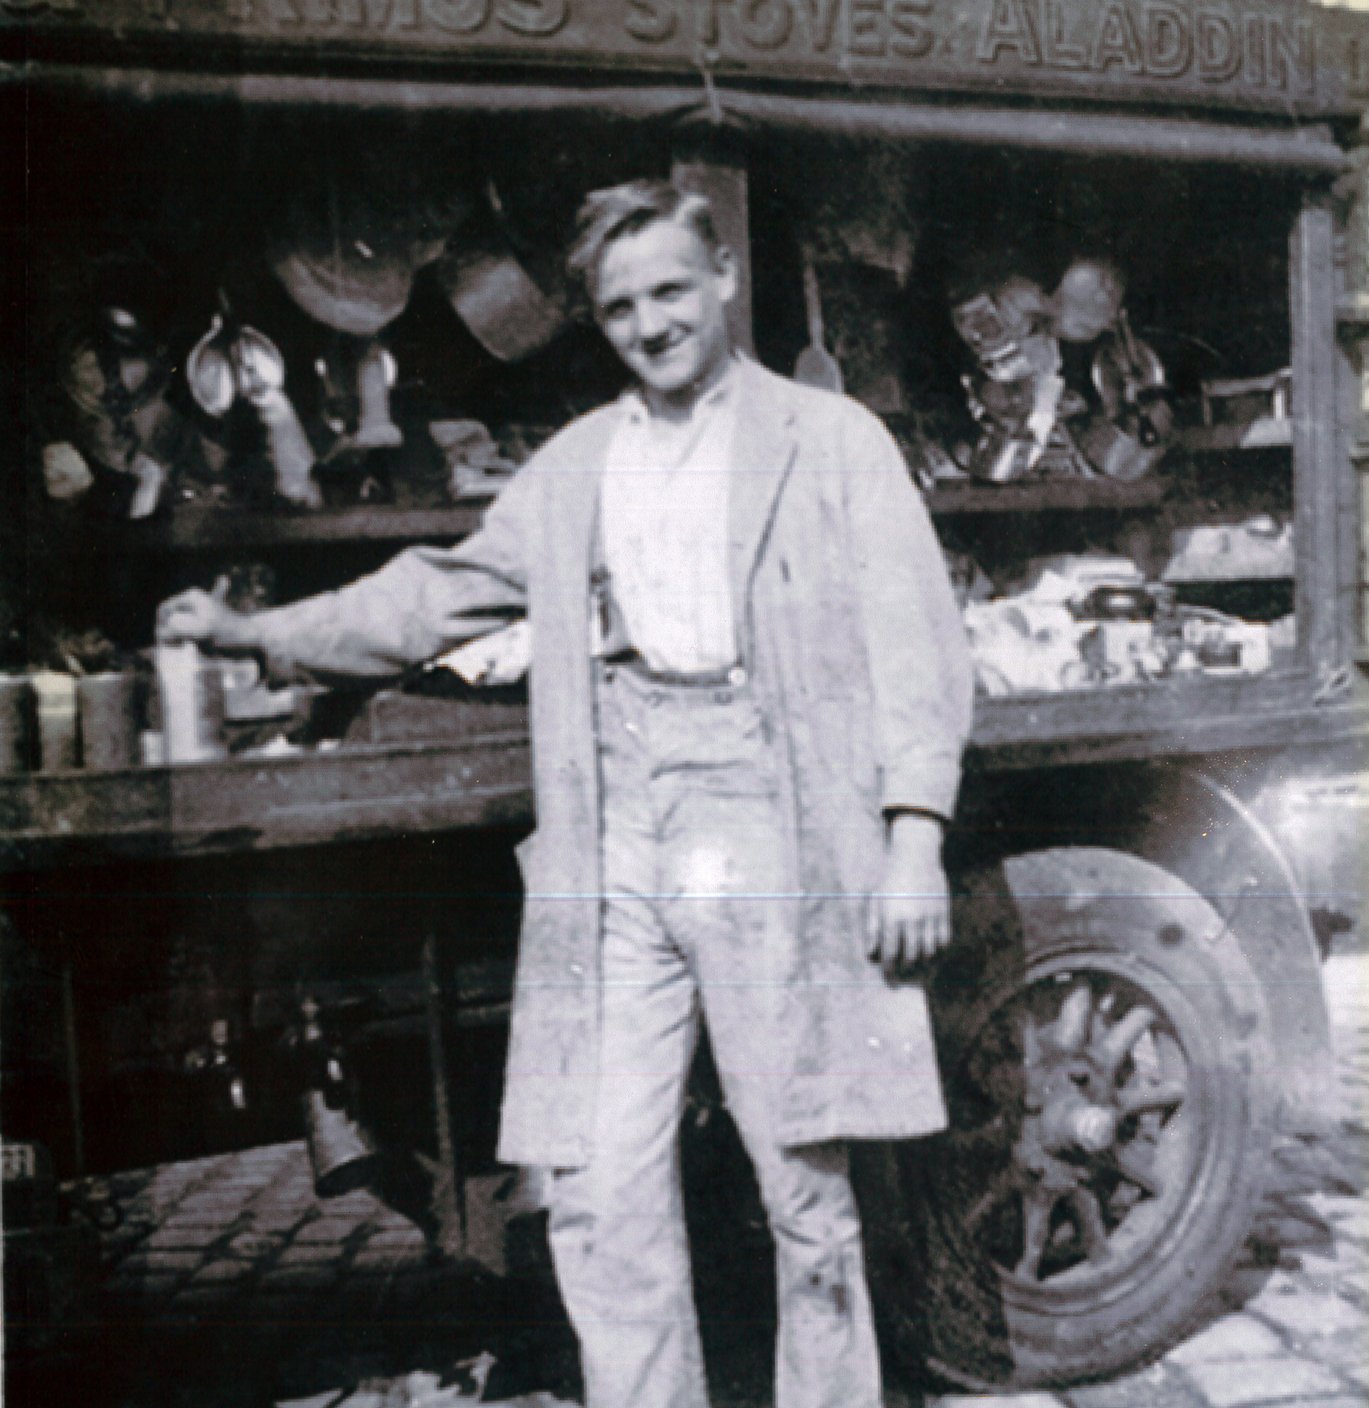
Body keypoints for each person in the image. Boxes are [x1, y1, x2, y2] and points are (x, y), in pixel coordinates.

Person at [158, 179, 974, 1408]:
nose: (650, 323)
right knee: (595, 1187)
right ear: (597, 319)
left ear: (722, 283)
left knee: (802, 1180)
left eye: (670, 291)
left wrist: (913, 836)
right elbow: (436, 590)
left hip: (772, 814)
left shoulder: (830, 438)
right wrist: (258, 630)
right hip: (621, 824)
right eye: (621, 304)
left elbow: (916, 636)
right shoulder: (577, 465)